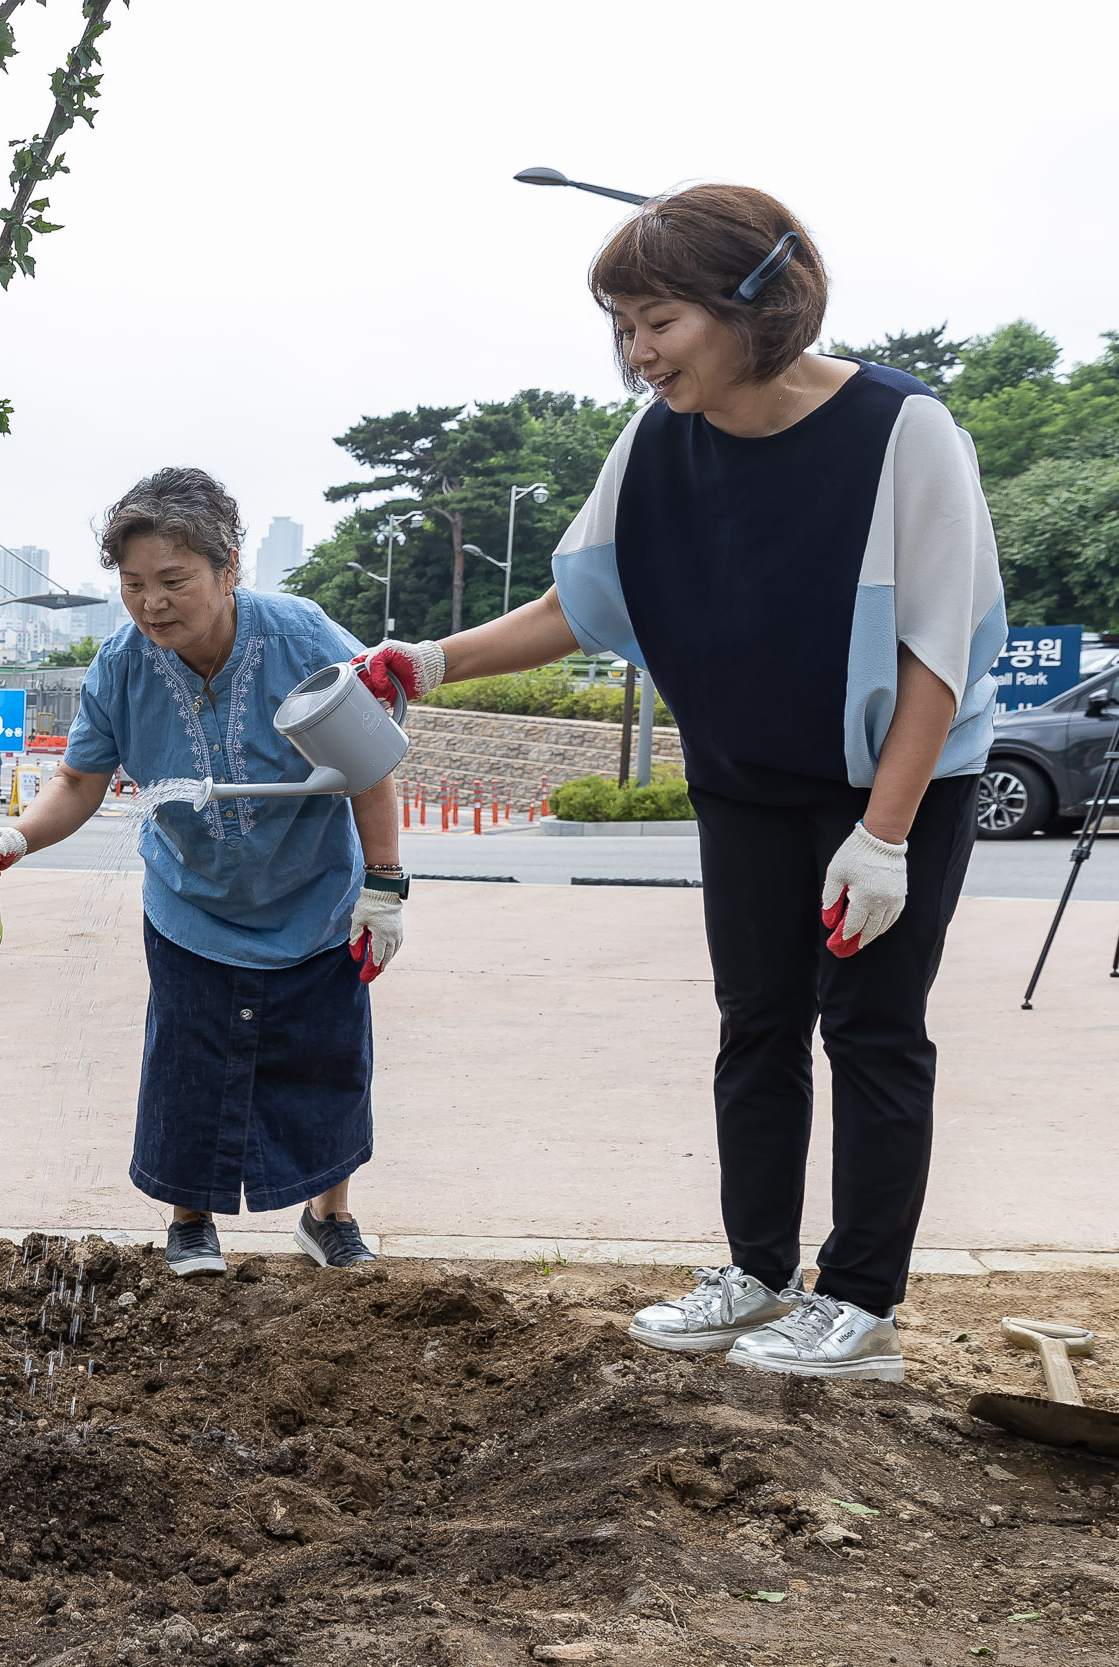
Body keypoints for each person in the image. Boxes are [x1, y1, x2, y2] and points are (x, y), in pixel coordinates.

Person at [353, 185, 1001, 1383]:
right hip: (747, 779)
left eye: (657, 320)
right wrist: (427, 661)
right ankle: (756, 1274)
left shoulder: (903, 431)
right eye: (621, 326)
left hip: (892, 782)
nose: (636, 354)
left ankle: (858, 1303)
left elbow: (937, 652)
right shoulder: (656, 442)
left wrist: (886, 834)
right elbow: (578, 602)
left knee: (869, 1028)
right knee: (755, 1021)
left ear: (754, 305)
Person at [0, 469, 405, 1277]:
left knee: (326, 1057)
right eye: (133, 585)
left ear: (229, 569)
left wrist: (385, 886)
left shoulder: (302, 636)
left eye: (173, 581)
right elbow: (79, 781)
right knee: (189, 1065)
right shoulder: (122, 665)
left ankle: (328, 1216)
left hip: (312, 896)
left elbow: (370, 763)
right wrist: (15, 840)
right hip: (190, 904)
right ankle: (190, 1219)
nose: (151, 603)